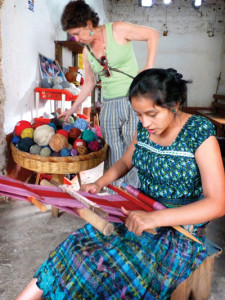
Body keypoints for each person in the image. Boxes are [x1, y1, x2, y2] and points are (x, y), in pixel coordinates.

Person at [16, 68, 225, 299]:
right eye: (138, 115)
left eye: (152, 114)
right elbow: (126, 161)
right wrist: (99, 182)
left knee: (115, 273)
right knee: (74, 247)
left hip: (179, 230)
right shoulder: (146, 129)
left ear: (174, 104)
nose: (145, 123)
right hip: (137, 212)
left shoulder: (198, 133)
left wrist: (154, 218)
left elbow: (217, 203)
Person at [58, 0, 159, 190]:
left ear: (88, 24)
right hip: (109, 104)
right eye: (72, 36)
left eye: (77, 33)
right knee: (112, 152)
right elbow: (89, 83)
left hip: (133, 100)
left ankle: (135, 194)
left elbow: (152, 34)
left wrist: (148, 67)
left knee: (134, 148)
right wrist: (72, 107)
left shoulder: (118, 30)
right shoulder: (86, 52)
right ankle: (115, 197)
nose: (76, 39)